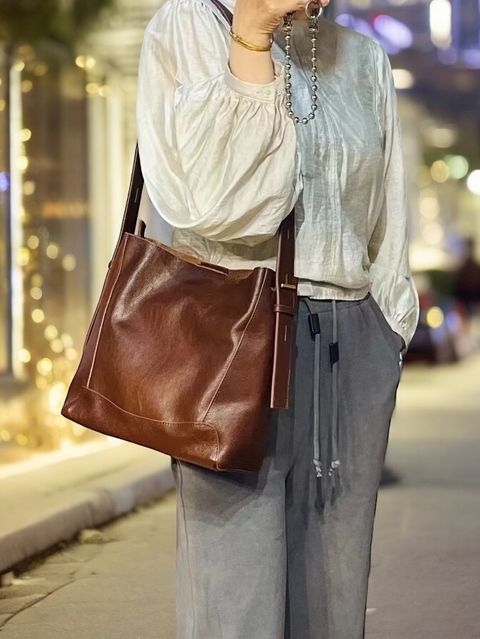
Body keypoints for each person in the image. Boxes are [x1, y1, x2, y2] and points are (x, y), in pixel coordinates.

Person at [136, 0, 420, 636]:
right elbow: (214, 207)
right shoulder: (189, 24)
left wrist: (387, 328)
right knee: (236, 593)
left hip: (352, 336)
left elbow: (386, 214)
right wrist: (252, 40)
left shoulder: (361, 57)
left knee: (335, 587)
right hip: (235, 331)